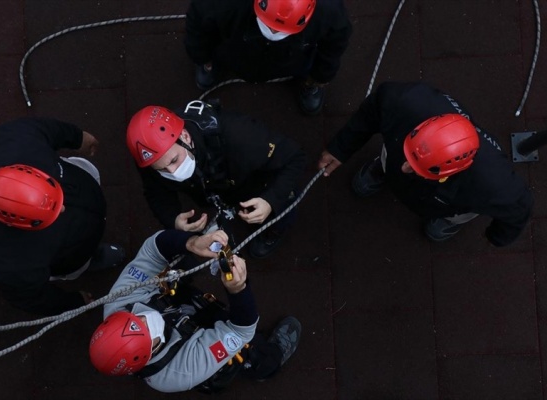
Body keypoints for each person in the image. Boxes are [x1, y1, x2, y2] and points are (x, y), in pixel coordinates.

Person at [317, 81, 534, 246]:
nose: (404, 167)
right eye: (410, 156)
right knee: (391, 160)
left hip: (453, 200)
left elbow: (519, 209)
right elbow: (371, 112)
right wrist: (341, 148)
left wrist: (497, 237)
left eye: (419, 167)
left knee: (460, 211)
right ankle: (382, 168)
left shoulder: (493, 185)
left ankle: (448, 220)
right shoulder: (403, 102)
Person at [89, 228, 301, 393]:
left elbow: (153, 250)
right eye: (144, 328)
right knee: (247, 351)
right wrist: (238, 290)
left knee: (177, 275)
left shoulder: (119, 301)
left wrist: (191, 243)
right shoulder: (181, 371)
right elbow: (241, 330)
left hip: (179, 310)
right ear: (147, 354)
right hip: (192, 345)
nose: (143, 318)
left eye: (134, 318)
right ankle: (265, 364)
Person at [0, 117, 126, 316]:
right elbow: (33, 299)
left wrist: (78, 138)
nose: (63, 209)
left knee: (85, 171)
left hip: (78, 185)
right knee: (76, 266)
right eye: (47, 214)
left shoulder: (14, 139)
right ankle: (91, 258)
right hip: (71, 254)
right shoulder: (10, 266)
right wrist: (71, 302)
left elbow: (44, 128)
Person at [126, 100, 307, 258]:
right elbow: (155, 191)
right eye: (162, 169)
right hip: (219, 186)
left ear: (185, 136)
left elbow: (295, 158)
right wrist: (172, 219)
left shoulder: (242, 138)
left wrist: (271, 200)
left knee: (283, 207)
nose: (173, 172)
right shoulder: (151, 157)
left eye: (174, 160)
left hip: (258, 182)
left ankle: (272, 232)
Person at [184, 0, 352, 115]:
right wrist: (202, 57)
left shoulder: (329, 12)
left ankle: (309, 84)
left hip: (296, 55)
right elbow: (197, 24)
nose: (273, 33)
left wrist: (320, 76)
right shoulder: (221, 4)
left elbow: (334, 44)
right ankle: (212, 65)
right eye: (270, 26)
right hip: (234, 48)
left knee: (308, 64)